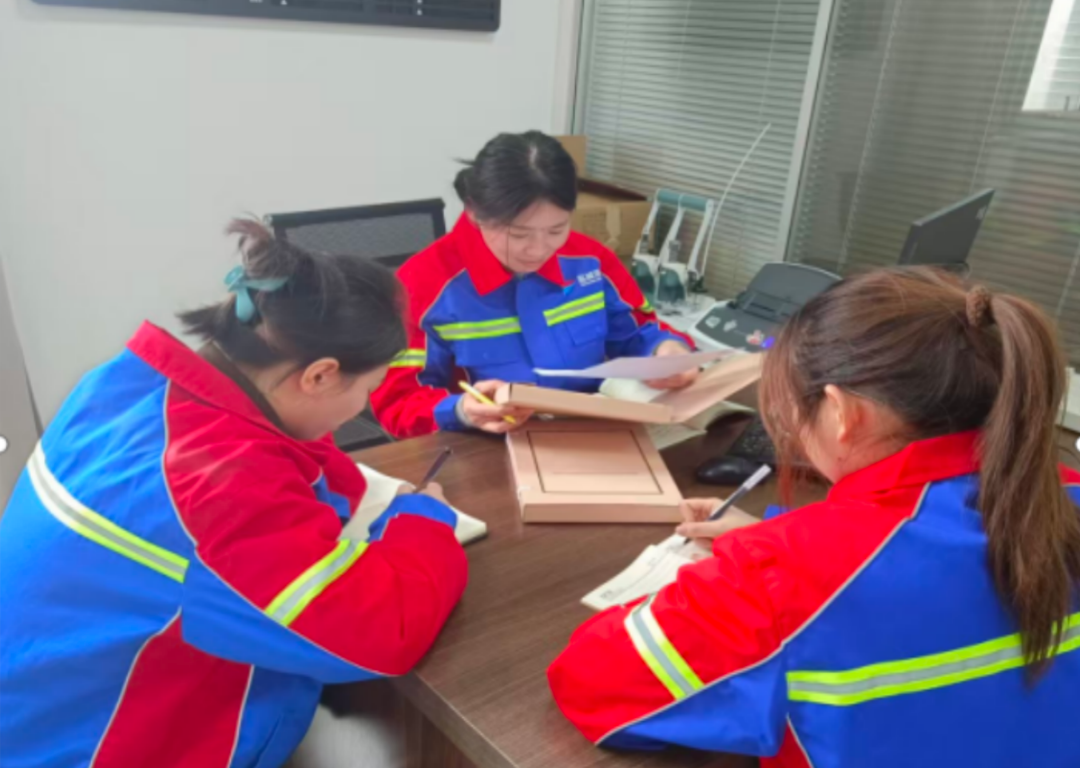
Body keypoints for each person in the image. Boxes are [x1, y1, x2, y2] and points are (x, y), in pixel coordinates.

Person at [548, 268, 1080, 767]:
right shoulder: (1064, 493)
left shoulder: (784, 574)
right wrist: (784, 538)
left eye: (789, 414)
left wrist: (751, 571)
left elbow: (590, 681)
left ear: (843, 413)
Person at [0, 221, 468, 768]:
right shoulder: (218, 488)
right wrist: (423, 521)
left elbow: (280, 458)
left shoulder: (123, 387)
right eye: (367, 389)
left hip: (36, 706)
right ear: (319, 376)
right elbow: (384, 634)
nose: (362, 406)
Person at [371, 130, 696, 439]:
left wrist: (666, 350)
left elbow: (638, 331)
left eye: (556, 230)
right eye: (518, 234)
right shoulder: (422, 285)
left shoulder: (590, 260)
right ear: (474, 212)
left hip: (594, 433)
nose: (539, 250)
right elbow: (396, 403)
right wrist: (460, 411)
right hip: (484, 447)